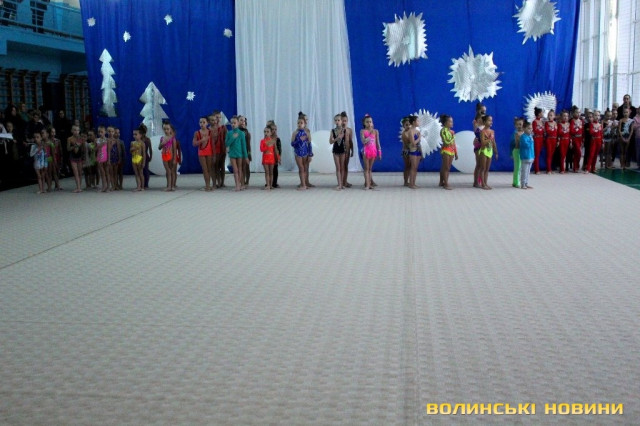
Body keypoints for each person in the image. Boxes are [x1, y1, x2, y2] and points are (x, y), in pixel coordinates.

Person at [225, 115, 248, 191]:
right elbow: (226, 144)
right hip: (232, 154)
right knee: (235, 170)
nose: (233, 124)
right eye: (232, 123)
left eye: (234, 123)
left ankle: (240, 184)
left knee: (240, 169)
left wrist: (246, 157)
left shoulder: (241, 133)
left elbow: (244, 146)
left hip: (239, 154)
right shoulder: (229, 133)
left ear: (238, 123)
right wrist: (233, 137)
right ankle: (237, 185)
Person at [291, 113, 312, 190]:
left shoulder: (307, 133)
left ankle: (305, 183)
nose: (299, 124)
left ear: (304, 124)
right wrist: (299, 140)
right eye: (298, 123)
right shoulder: (295, 133)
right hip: (298, 153)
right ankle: (303, 184)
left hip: (305, 153)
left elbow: (309, 144)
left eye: (301, 123)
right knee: (301, 168)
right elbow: (292, 144)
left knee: (305, 168)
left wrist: (310, 154)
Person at [193, 117, 214, 191]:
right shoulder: (197, 133)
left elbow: (213, 144)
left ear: (207, 123)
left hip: (209, 152)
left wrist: (214, 154)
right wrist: (202, 140)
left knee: (209, 169)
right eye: (200, 122)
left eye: (204, 122)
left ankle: (209, 184)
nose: (202, 124)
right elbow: (194, 144)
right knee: (205, 169)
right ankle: (207, 185)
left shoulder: (210, 132)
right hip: (201, 153)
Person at [360, 114, 381, 190]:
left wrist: (379, 153)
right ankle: (367, 185)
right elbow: (363, 141)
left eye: (370, 122)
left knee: (370, 169)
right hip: (366, 152)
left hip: (373, 152)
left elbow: (378, 143)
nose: (369, 123)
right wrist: (369, 137)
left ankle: (369, 183)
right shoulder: (363, 131)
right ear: (364, 123)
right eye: (367, 122)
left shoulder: (375, 131)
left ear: (372, 123)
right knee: (366, 169)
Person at [478, 115, 498, 190]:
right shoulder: (482, 131)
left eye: (491, 120)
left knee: (487, 169)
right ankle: (482, 184)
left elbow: (494, 142)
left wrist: (496, 152)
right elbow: (483, 142)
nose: (491, 122)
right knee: (483, 168)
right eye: (489, 120)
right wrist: (489, 139)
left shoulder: (492, 131)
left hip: (490, 151)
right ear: (484, 122)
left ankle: (485, 183)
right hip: (484, 151)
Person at [439, 114, 458, 190]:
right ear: (445, 123)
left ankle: (442, 182)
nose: (452, 123)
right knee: (446, 167)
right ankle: (446, 184)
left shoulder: (452, 132)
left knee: (447, 167)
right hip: (446, 150)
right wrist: (452, 137)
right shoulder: (443, 131)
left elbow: (453, 143)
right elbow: (446, 142)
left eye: (452, 121)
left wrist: (456, 153)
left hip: (451, 151)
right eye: (450, 122)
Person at [209, 111, 227, 188]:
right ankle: (217, 182)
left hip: (222, 149)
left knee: (222, 165)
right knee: (215, 166)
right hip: (214, 150)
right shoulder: (209, 129)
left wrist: (226, 147)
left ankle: (222, 182)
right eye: (216, 117)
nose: (218, 119)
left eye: (220, 117)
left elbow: (226, 138)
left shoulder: (223, 127)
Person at [402, 115, 420, 189]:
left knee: (412, 166)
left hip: (413, 150)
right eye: (406, 125)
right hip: (406, 150)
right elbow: (409, 144)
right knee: (407, 166)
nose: (408, 126)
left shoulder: (415, 131)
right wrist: (418, 138)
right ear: (403, 126)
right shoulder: (404, 133)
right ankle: (406, 181)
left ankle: (412, 182)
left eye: (409, 124)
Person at [159, 122, 178, 191]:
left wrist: (174, 159)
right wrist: (162, 144)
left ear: (170, 129)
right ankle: (169, 185)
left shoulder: (173, 139)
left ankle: (172, 186)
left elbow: (175, 150)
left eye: (167, 129)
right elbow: (159, 147)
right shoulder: (162, 138)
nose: (166, 131)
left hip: (171, 156)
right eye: (164, 129)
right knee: (168, 171)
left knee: (171, 171)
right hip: (164, 156)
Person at [330, 114, 346, 190]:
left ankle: (342, 184)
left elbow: (347, 141)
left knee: (342, 167)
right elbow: (330, 142)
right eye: (335, 120)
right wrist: (337, 138)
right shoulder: (333, 131)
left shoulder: (345, 130)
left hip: (343, 150)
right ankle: (339, 184)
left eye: (338, 120)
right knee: (338, 167)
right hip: (335, 150)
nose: (337, 122)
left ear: (341, 121)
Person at [260, 125, 279, 190]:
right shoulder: (262, 141)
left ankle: (271, 185)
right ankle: (267, 185)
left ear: (271, 133)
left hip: (271, 159)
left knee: (271, 172)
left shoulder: (273, 141)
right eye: (265, 132)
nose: (266, 133)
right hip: (265, 158)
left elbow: (275, 150)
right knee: (267, 172)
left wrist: (278, 158)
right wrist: (267, 145)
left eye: (267, 132)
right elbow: (261, 149)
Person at [67, 124, 84, 192]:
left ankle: (79, 186)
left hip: (79, 156)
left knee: (80, 172)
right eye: (75, 130)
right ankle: (78, 187)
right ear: (72, 131)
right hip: (72, 157)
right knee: (75, 172)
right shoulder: (69, 139)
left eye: (77, 130)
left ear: (79, 131)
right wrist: (75, 146)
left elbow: (83, 149)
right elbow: (68, 149)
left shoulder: (81, 138)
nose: (76, 132)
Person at [340, 112, 354, 188]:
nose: (344, 122)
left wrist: (352, 150)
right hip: (340, 150)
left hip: (347, 150)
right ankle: (341, 182)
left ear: (347, 121)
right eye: (342, 121)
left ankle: (345, 181)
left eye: (345, 121)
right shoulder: (338, 130)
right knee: (341, 166)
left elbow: (350, 141)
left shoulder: (349, 130)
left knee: (346, 166)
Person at [519, 121, 534, 189]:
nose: (530, 130)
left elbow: (532, 148)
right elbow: (526, 145)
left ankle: (526, 183)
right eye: (529, 128)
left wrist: (533, 156)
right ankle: (522, 184)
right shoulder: (523, 137)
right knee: (524, 171)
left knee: (528, 172)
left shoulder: (530, 136)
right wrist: (531, 140)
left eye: (531, 128)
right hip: (525, 157)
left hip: (530, 156)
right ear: (524, 129)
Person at [266, 120, 281, 188]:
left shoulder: (277, 139)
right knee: (268, 170)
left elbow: (279, 149)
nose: (274, 131)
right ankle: (268, 183)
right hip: (269, 157)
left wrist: (279, 157)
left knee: (275, 170)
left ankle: (274, 183)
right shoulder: (267, 138)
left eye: (275, 129)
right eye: (272, 129)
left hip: (275, 156)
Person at [472, 111, 485, 187]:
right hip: (478, 147)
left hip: (484, 147)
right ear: (477, 120)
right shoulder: (478, 128)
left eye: (483, 118)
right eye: (481, 119)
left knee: (482, 165)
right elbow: (478, 136)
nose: (482, 120)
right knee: (479, 165)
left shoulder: (485, 127)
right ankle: (476, 182)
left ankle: (481, 181)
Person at [130, 127, 146, 191]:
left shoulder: (142, 143)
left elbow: (144, 154)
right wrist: (133, 149)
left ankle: (142, 186)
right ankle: (138, 186)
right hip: (134, 159)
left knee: (141, 173)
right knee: (136, 174)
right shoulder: (132, 143)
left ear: (140, 135)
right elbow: (130, 151)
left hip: (139, 159)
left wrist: (143, 162)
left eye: (136, 134)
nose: (134, 136)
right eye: (133, 134)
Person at [510, 117, 524, 187]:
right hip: (517, 151)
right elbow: (512, 144)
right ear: (515, 125)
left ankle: (521, 181)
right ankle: (516, 182)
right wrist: (511, 153)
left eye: (521, 124)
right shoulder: (515, 134)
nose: (519, 126)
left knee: (522, 167)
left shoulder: (525, 133)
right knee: (517, 167)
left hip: (523, 152)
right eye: (518, 124)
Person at [95, 125, 109, 192]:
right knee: (102, 172)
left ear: (105, 132)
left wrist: (109, 158)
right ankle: (104, 186)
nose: (100, 133)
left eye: (102, 132)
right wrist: (100, 145)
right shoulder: (97, 140)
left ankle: (107, 186)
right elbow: (95, 149)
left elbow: (109, 150)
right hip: (99, 157)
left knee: (107, 172)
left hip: (106, 157)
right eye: (99, 132)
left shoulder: (107, 140)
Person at [238, 115, 251, 186]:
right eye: (241, 120)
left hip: (246, 151)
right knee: (240, 167)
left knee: (246, 167)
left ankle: (247, 181)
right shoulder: (236, 131)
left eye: (244, 121)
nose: (243, 122)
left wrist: (249, 154)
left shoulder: (247, 133)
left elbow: (248, 145)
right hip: (238, 152)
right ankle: (241, 181)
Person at [569, 107, 583, 173]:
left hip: (580, 138)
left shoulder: (581, 121)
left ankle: (576, 166)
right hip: (574, 138)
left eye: (579, 112)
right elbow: (571, 131)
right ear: (574, 113)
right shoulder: (572, 121)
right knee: (578, 153)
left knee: (578, 153)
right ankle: (575, 166)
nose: (578, 114)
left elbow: (582, 131)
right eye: (577, 112)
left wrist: (583, 139)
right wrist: (577, 128)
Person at [532, 107, 545, 174]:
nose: (543, 114)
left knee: (539, 154)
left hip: (541, 139)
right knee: (536, 154)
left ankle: (538, 168)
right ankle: (536, 169)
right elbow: (534, 130)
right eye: (542, 112)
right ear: (539, 114)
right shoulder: (534, 122)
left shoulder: (542, 122)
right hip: (537, 139)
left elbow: (543, 131)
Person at [107, 126, 120, 191]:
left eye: (112, 131)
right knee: (111, 173)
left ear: (114, 132)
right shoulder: (107, 140)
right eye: (109, 131)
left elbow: (118, 150)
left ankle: (115, 185)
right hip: (110, 158)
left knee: (116, 173)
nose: (111, 133)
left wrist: (119, 158)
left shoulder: (116, 140)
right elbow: (108, 150)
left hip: (115, 157)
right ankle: (112, 186)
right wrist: (108, 160)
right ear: (107, 132)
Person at [140, 124, 152, 189]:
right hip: (139, 156)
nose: (143, 133)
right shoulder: (139, 139)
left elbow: (150, 149)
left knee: (146, 170)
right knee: (140, 170)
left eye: (144, 132)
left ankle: (146, 184)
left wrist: (151, 156)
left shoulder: (147, 139)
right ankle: (141, 184)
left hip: (146, 156)